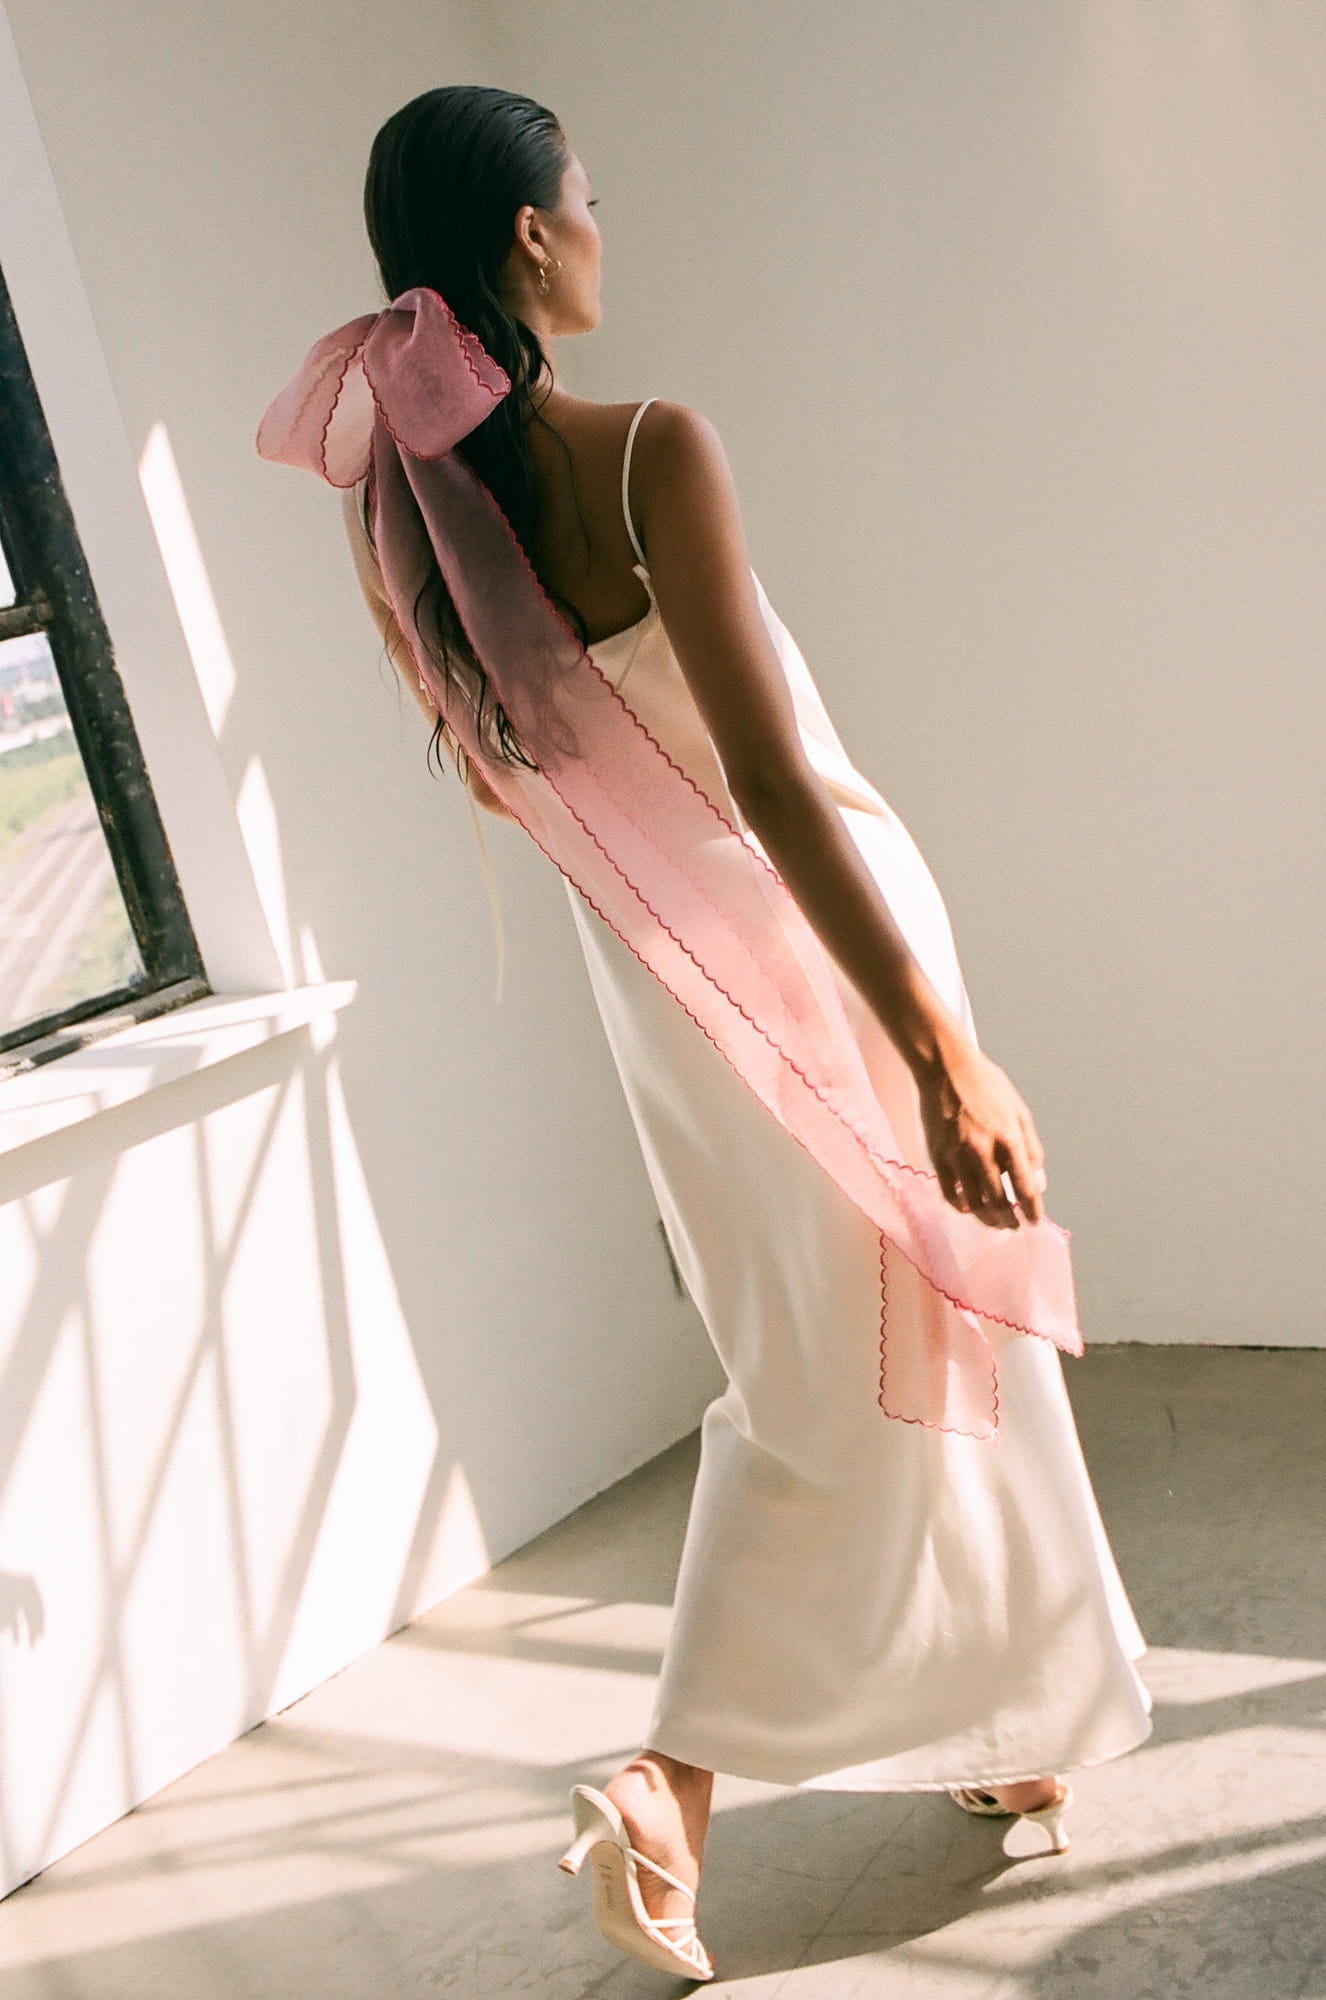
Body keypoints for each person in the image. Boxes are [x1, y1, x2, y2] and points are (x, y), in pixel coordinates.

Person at [306, 83, 1152, 1985]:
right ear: (530, 239)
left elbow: (531, 786)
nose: (603, 227)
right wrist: (939, 1050)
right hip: (823, 967)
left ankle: (1011, 1735)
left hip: (673, 1003)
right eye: (586, 201)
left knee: (870, 1347)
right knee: (865, 1368)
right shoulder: (648, 448)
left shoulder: (416, 515)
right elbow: (769, 777)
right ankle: (668, 1784)